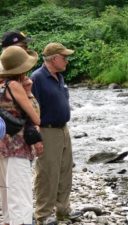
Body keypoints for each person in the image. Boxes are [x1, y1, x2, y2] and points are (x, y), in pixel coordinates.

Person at [31, 42, 81, 225]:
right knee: (47, 173)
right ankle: (43, 214)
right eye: (64, 57)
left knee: (65, 171)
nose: (67, 60)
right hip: (47, 130)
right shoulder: (37, 78)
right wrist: (36, 137)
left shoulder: (59, 76)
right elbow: (31, 109)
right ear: (53, 59)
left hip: (63, 129)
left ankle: (63, 210)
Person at [0, 46, 42, 225]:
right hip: (18, 147)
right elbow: (36, 117)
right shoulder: (15, 86)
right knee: (21, 195)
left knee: (7, 194)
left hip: (2, 144)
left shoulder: (1, 85)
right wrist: (29, 92)